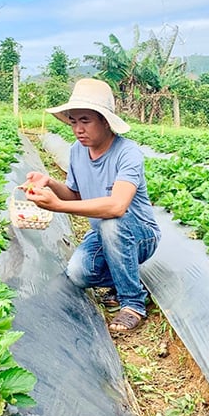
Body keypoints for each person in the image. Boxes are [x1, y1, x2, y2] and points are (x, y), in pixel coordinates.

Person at [24, 78, 161, 332]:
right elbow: (75, 196)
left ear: (105, 121)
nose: (78, 129)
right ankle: (125, 279)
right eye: (74, 121)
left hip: (139, 234)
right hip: (102, 232)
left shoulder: (127, 153)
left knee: (111, 223)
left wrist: (56, 207)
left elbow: (117, 207)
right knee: (78, 273)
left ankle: (133, 302)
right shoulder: (77, 151)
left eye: (85, 120)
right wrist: (50, 183)